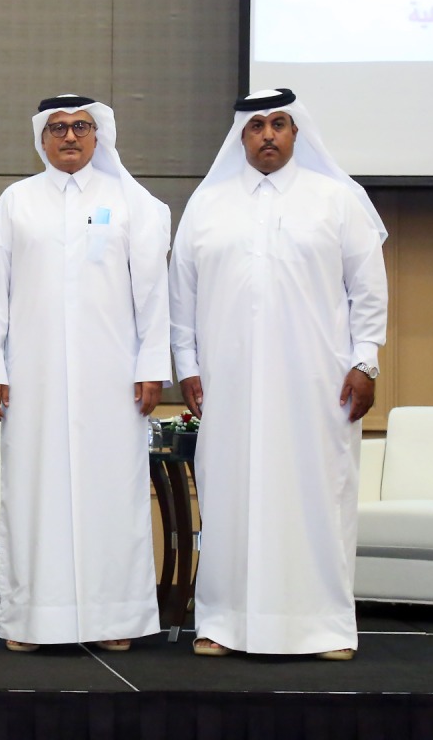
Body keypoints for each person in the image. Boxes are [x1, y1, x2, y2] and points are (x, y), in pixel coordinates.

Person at [168, 88, 388, 661]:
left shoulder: (336, 200)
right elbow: (181, 296)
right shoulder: (208, 204)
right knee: (228, 498)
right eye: (256, 125)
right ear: (240, 135)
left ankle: (324, 629)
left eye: (280, 124)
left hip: (319, 384)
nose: (268, 134)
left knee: (318, 496)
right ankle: (221, 623)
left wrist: (366, 361)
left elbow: (369, 292)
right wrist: (187, 367)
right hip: (228, 384)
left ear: (297, 133)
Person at [0, 95, 171, 652]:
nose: (69, 137)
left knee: (113, 493)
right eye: (57, 129)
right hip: (31, 378)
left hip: (114, 379)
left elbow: (152, 293)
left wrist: (153, 365)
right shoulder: (17, 201)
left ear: (98, 135)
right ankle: (34, 622)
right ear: (41, 139)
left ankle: (114, 621)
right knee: (35, 493)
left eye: (80, 127)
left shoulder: (130, 202)